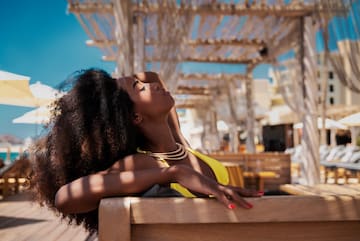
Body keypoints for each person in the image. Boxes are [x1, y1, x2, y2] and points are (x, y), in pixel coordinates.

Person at [30, 68, 262, 234]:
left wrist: (112, 86)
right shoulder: (143, 163)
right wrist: (172, 174)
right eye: (140, 89)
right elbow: (65, 197)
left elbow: (151, 75)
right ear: (134, 117)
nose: (153, 85)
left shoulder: (180, 143)